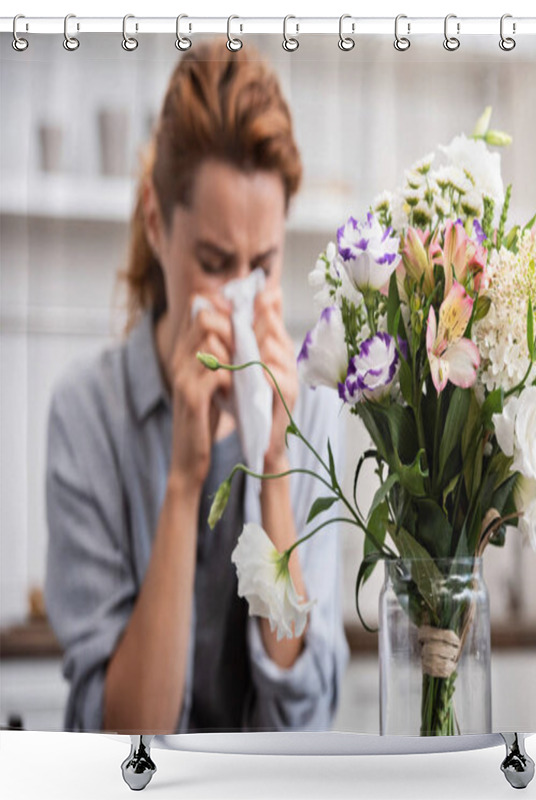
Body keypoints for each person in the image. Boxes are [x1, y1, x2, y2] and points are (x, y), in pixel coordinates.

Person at [43, 39, 350, 735]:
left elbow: (304, 717)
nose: (241, 294)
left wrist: (276, 465)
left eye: (263, 266)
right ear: (157, 224)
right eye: (215, 262)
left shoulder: (318, 408)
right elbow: (121, 741)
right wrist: (184, 483)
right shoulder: (86, 416)